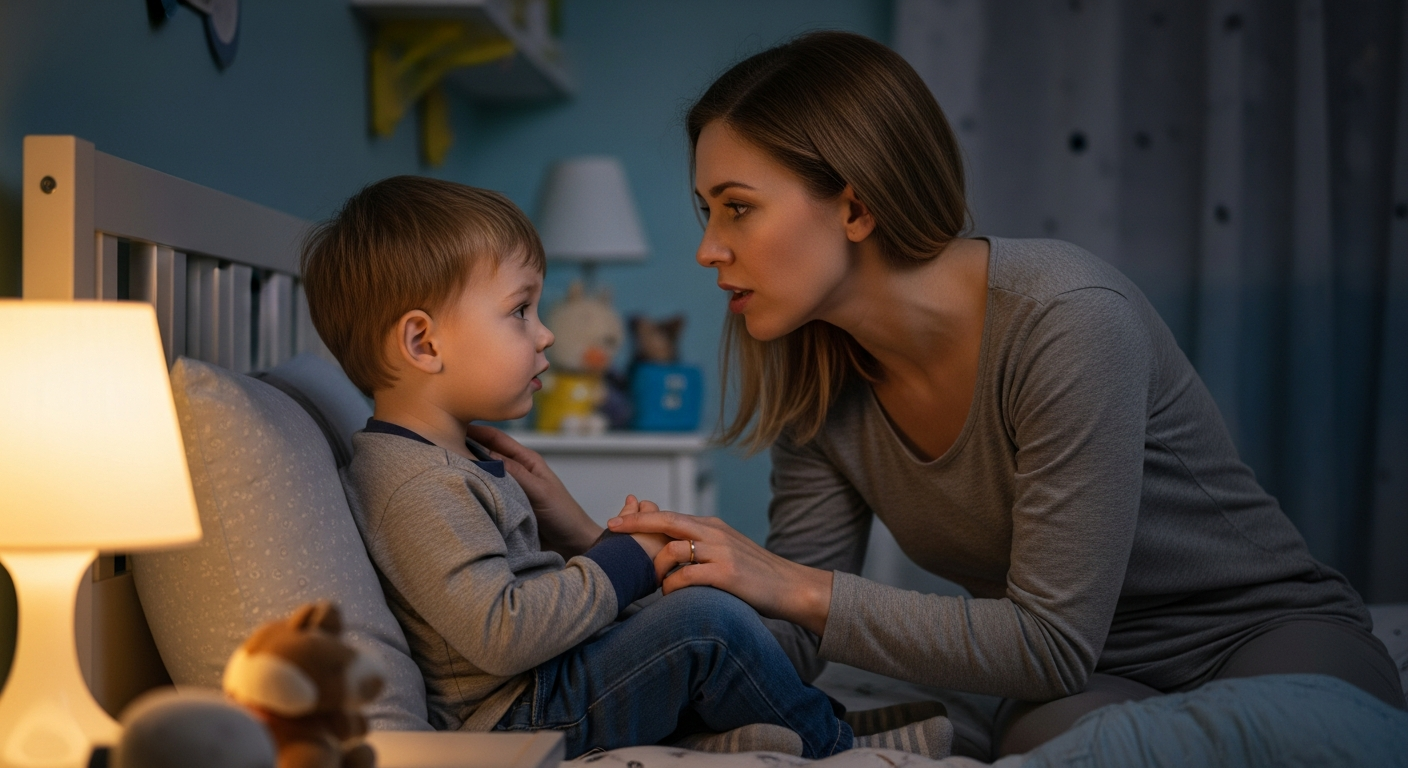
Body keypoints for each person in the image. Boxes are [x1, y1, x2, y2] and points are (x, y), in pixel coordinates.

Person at [606, 30, 1407, 760]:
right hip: (1076, 682)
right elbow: (798, 638)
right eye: (707, 212)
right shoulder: (818, 382)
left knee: (1322, 733)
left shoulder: (1067, 318)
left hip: (1252, 633)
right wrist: (629, 579)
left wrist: (791, 583)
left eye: (737, 208)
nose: (710, 250)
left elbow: (1045, 638)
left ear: (855, 204)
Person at [298, 176, 953, 759]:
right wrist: (621, 558)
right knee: (702, 624)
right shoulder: (413, 483)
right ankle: (837, 745)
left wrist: (589, 543)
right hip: (518, 718)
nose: (546, 332)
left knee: (692, 607)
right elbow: (502, 633)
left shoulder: (452, 456)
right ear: (424, 342)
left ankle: (773, 726)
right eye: (520, 310)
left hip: (547, 684)